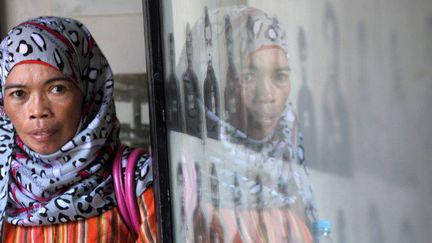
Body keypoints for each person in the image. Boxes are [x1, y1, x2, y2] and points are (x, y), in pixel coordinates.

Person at [0, 17, 156, 242]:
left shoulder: (139, 183)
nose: (37, 110)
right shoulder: (5, 184)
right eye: (18, 94)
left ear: (88, 94)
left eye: (57, 89)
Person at [173, 6, 317, 242]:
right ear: (212, 89)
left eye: (279, 76)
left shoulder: (290, 164)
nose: (267, 94)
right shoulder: (187, 181)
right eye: (248, 77)